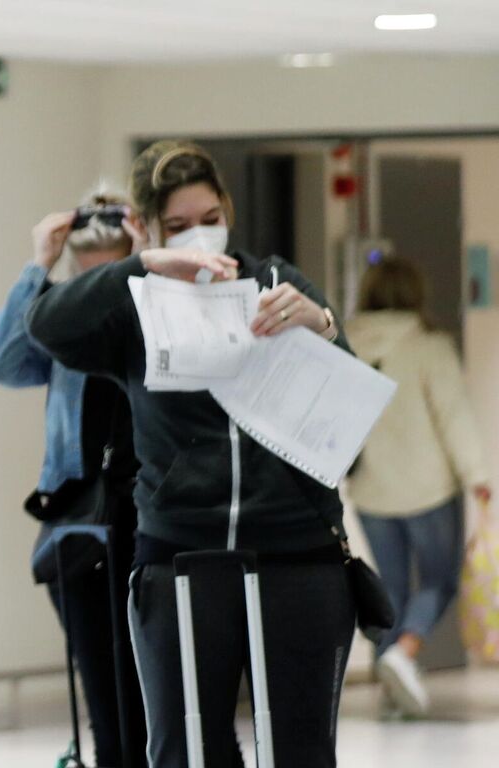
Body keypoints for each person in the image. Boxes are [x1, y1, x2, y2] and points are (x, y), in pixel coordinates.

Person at [28, 140, 360, 768]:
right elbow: (44, 327)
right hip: (180, 553)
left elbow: (349, 413)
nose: (199, 236)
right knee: (184, 751)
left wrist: (321, 325)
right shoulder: (135, 304)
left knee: (302, 747)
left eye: (209, 218)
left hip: (297, 552)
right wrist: (140, 265)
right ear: (148, 227)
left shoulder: (277, 281)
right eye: (178, 226)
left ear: (227, 211)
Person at [0, 191, 147, 768]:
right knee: (107, 704)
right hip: (81, 529)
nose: (101, 292)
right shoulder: (61, 319)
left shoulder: (163, 310)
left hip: (156, 524)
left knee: (163, 702)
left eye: (118, 271)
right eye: (89, 275)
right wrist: (39, 267)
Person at [346, 256, 493, 717]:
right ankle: (403, 654)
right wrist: (478, 477)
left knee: (390, 588)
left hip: (371, 493)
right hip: (429, 489)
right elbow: (454, 417)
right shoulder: (429, 346)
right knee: (440, 579)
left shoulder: (345, 343)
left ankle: (393, 693)